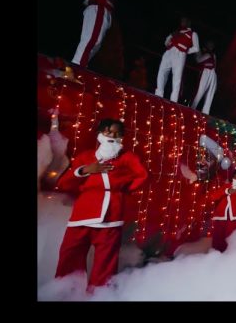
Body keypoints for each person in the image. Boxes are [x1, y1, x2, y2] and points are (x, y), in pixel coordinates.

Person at [54, 118, 148, 291]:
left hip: (111, 215)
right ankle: (65, 292)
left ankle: (98, 294)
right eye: (108, 132)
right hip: (82, 214)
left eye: (117, 133)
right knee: (70, 255)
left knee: (105, 261)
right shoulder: (85, 157)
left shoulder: (127, 157)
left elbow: (143, 176)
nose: (112, 136)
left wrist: (124, 189)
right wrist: (85, 170)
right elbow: (64, 183)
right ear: (100, 134)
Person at [72, 0, 116, 68]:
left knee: (96, 42)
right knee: (92, 40)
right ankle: (77, 66)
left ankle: (81, 64)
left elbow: (86, 0)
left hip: (100, 10)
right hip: (99, 9)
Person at [155, 17, 200, 103]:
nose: (182, 22)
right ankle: (158, 95)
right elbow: (166, 43)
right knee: (161, 72)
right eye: (181, 20)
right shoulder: (177, 31)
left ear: (189, 22)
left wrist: (185, 50)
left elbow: (196, 48)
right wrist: (171, 35)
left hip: (180, 54)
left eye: (184, 20)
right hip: (169, 52)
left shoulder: (193, 34)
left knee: (177, 78)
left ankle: (173, 100)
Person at [191, 40, 217, 115]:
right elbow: (198, 60)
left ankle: (204, 113)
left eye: (212, 45)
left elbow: (198, 60)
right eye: (210, 44)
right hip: (208, 73)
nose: (211, 46)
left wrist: (197, 51)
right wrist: (198, 51)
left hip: (211, 73)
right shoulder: (208, 54)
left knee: (208, 94)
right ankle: (192, 108)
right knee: (200, 92)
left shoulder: (211, 55)